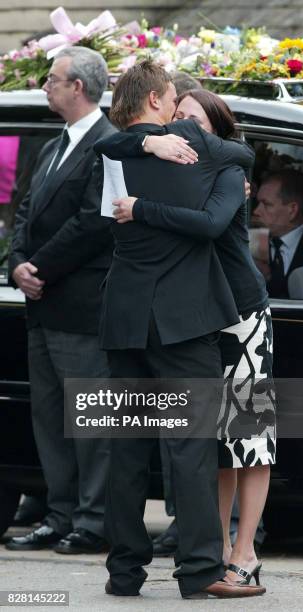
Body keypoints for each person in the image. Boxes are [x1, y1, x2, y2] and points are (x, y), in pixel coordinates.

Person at [94, 59, 264, 599]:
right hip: (184, 320)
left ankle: (124, 574)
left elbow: (110, 153)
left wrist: (144, 148)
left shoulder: (115, 153)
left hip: (124, 317)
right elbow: (242, 153)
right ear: (154, 102)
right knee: (189, 449)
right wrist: (177, 139)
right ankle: (199, 571)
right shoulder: (194, 145)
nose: (175, 108)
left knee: (125, 449)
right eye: (170, 98)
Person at [6, 46, 115, 554]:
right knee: (49, 419)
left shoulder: (108, 144)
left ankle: (94, 521)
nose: (46, 86)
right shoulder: (53, 146)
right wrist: (17, 264)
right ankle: (60, 512)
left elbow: (93, 223)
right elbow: (24, 210)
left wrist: (40, 267)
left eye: (53, 79)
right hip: (41, 305)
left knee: (89, 423)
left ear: (79, 87)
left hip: (79, 307)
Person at [253, 170, 303, 298]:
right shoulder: (251, 241)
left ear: (292, 210)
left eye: (266, 204)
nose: (256, 211)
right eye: (258, 203)